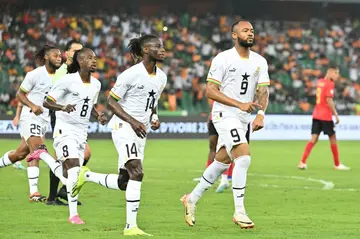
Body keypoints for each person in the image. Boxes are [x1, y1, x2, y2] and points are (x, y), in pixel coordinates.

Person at [71, 34, 167, 236]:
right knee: (137, 172)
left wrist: (155, 116)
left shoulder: (162, 76)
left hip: (141, 130)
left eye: (162, 45)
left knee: (125, 182)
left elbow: (153, 99)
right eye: (157, 46)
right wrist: (133, 121)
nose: (162, 48)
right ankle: (130, 227)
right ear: (146, 50)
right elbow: (111, 101)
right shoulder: (130, 74)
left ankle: (85, 175)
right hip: (123, 127)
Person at [181, 19, 269, 229]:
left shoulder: (260, 61)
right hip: (224, 114)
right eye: (245, 30)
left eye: (252, 30)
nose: (250, 33)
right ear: (234, 34)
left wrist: (261, 114)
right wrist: (239, 104)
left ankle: (191, 198)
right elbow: (210, 90)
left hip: (242, 117)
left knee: (221, 162)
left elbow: (263, 90)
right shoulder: (223, 58)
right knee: (244, 157)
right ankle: (239, 211)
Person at [43, 48, 104, 224]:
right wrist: (62, 107)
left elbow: (89, 105)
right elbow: (47, 101)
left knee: (70, 173)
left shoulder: (97, 84)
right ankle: (73, 215)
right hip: (65, 129)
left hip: (82, 132)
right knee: (74, 169)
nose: (94, 60)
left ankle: (44, 156)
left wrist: (98, 115)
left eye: (95, 58)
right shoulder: (67, 81)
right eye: (90, 58)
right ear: (80, 61)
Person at [0, 45, 66, 202]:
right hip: (30, 116)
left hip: (44, 120)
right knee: (37, 149)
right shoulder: (35, 74)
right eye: (55, 55)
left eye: (60, 56)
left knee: (20, 154)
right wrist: (32, 106)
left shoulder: (61, 76)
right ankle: (36, 192)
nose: (59, 58)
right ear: (46, 57)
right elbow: (20, 95)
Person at [46, 39, 89, 206]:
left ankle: (61, 191)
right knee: (62, 157)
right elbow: (53, 96)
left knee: (80, 155)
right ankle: (56, 194)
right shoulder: (63, 72)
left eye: (81, 51)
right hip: (60, 113)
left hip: (75, 117)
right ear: (67, 53)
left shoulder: (77, 72)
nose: (78, 54)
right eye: (74, 51)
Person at [298, 64, 349, 170]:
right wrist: (335, 114)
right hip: (325, 116)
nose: (337, 76)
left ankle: (302, 162)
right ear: (330, 72)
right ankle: (337, 164)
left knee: (314, 138)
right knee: (333, 138)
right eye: (336, 73)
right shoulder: (330, 84)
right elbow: (329, 100)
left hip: (316, 114)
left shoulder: (320, 82)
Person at [12, 102, 26, 170]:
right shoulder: (27, 94)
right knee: (25, 143)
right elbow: (20, 104)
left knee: (26, 144)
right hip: (26, 121)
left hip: (33, 121)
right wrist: (17, 117)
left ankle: (17, 162)